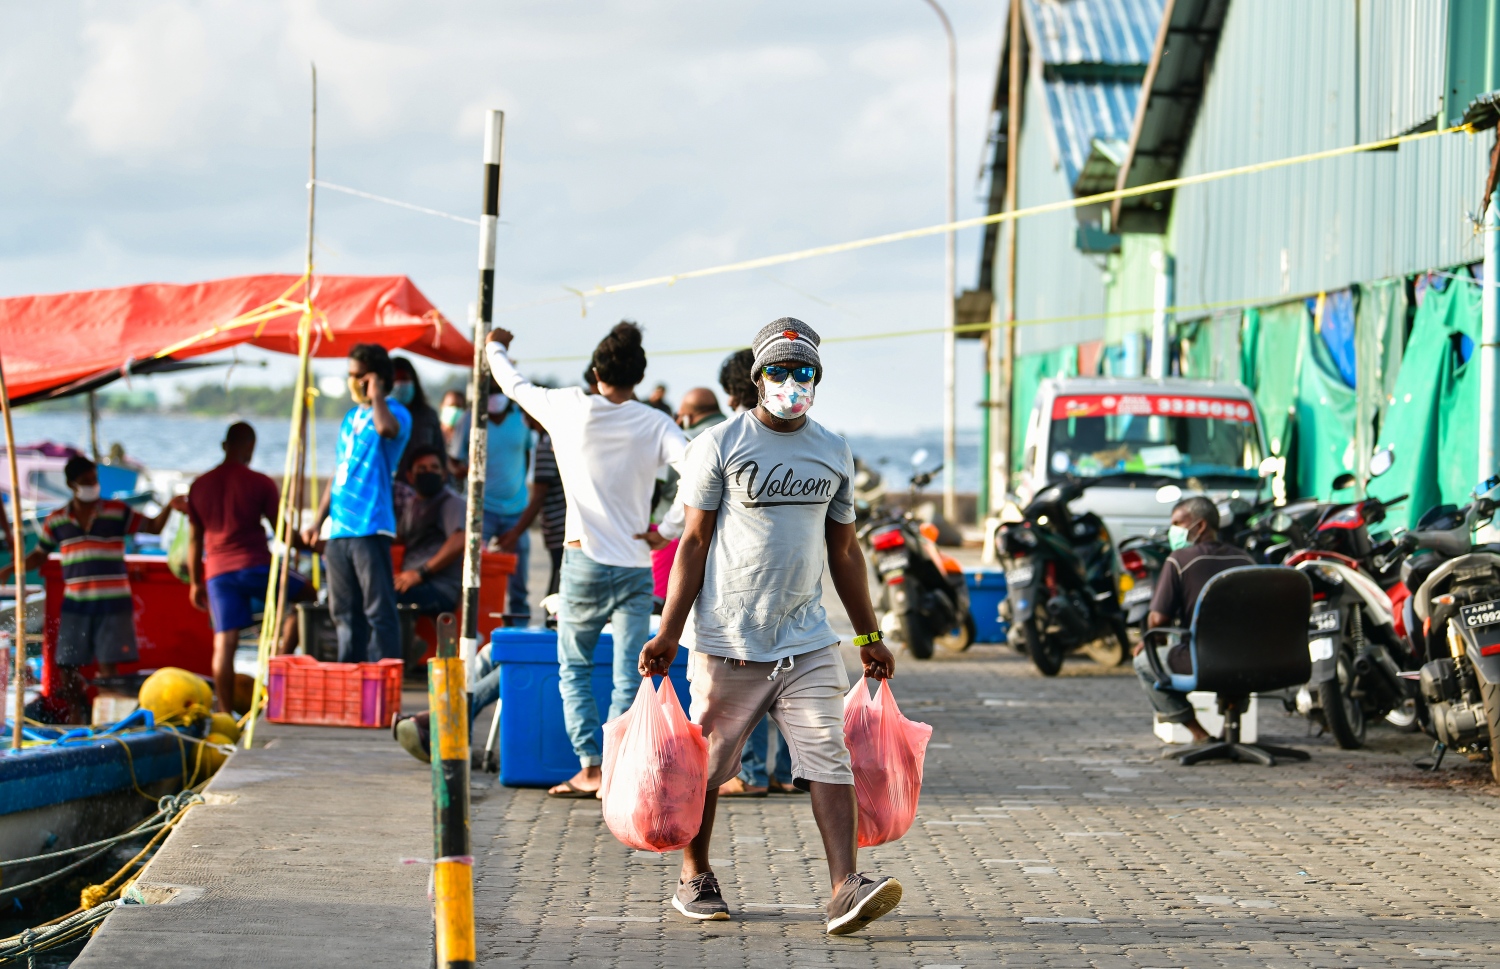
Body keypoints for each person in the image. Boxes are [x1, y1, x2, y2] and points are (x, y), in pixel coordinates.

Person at [639, 317, 902, 936]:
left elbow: (845, 551)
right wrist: (669, 632)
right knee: (708, 766)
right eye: (779, 371)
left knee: (828, 754)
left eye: (803, 371)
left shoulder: (833, 449)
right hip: (730, 641)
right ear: (758, 378)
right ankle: (694, 875)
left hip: (807, 638)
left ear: (818, 379)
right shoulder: (719, 444)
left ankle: (844, 889)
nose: (791, 381)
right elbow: (694, 544)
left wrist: (868, 636)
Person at [485, 321, 686, 798]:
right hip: (637, 565)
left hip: (583, 562)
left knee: (573, 668)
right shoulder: (656, 422)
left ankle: (590, 768)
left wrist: (496, 345)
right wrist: (668, 529)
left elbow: (509, 382)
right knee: (631, 673)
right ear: (638, 375)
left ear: (597, 371)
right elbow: (699, 470)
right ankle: (616, 771)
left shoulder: (566, 407)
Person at [3, 456, 184, 716]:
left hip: (114, 603)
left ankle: (107, 717)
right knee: (67, 664)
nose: (92, 484)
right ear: (71, 484)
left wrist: (169, 506)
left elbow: (154, 528)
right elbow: (40, 555)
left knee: (110, 666)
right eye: (85, 481)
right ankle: (76, 715)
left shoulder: (118, 511)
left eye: (94, 479)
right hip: (76, 603)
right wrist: (11, 568)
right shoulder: (56, 520)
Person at [186, 422, 312, 715]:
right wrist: (311, 546)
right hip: (256, 566)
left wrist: (195, 582)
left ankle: (225, 713)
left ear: (224, 445)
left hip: (218, 573)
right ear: (250, 448)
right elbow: (283, 533)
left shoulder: (199, 485)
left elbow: (194, 541)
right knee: (309, 594)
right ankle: (278, 664)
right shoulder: (260, 482)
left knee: (224, 642)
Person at [302, 343, 412, 663]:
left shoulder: (394, 413)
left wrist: (376, 394)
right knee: (344, 613)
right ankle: (349, 675)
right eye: (350, 375)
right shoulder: (350, 418)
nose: (352, 382)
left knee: (378, 610)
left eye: (358, 376)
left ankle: (386, 677)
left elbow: (386, 429)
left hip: (371, 526)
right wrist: (318, 520)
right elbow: (338, 473)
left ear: (375, 378)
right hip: (339, 531)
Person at [1133, 496, 1255, 745]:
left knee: (1144, 663)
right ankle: (1229, 731)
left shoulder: (1179, 560)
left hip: (1202, 660)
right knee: (1235, 651)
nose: (1173, 530)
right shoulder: (1246, 560)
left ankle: (1199, 735)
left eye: (1178, 523)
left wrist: (1149, 644)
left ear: (1200, 526)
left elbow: (1158, 618)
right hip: (1253, 661)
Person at [449, 382, 533, 621]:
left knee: (519, 582)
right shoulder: (470, 418)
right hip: (481, 510)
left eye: (498, 391)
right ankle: (478, 625)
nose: (495, 396)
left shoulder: (521, 418)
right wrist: (466, 472)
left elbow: (526, 455)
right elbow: (454, 460)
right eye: (490, 391)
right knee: (476, 575)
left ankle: (519, 629)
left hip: (516, 510)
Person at [650, 388, 726, 607]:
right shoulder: (736, 434)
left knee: (667, 606)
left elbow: (660, 489)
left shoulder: (684, 440)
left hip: (678, 540)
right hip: (723, 543)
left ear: (686, 416)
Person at [497, 410, 566, 598]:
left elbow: (538, 498)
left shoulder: (547, 445)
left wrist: (515, 532)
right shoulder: (559, 439)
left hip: (560, 529)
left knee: (558, 588)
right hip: (563, 529)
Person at [393, 445, 466, 616]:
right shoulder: (412, 504)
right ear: (410, 476)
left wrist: (421, 573)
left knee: (384, 599)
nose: (429, 472)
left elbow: (460, 540)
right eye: (422, 468)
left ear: (443, 474)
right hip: (411, 582)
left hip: (439, 587)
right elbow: (398, 537)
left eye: (434, 468)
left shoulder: (451, 502)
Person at [391, 357, 443, 478]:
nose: (399, 384)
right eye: (395, 380)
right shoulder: (383, 419)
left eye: (404, 379)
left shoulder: (428, 415)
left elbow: (440, 454)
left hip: (423, 487)